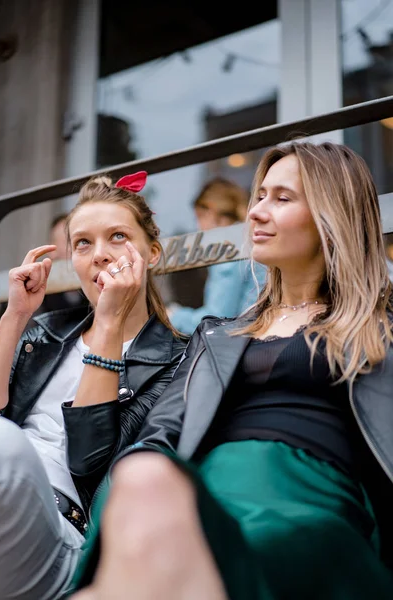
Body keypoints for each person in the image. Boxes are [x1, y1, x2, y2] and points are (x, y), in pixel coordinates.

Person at [70, 143, 393, 600]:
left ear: (331, 214)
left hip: (304, 501)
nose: (257, 212)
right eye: (259, 196)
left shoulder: (377, 325)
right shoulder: (218, 333)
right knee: (143, 478)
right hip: (208, 488)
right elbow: (159, 433)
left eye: (281, 199)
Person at [0, 170, 186, 600]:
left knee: (1, 445)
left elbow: (87, 461)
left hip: (60, 532)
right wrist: (15, 316)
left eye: (117, 236)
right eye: (83, 243)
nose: (99, 254)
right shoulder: (47, 329)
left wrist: (110, 322)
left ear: (151, 252)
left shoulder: (179, 358)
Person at [168, 178, 266, 334]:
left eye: (199, 217)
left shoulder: (229, 248)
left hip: (245, 341)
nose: (198, 227)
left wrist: (173, 315)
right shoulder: (249, 239)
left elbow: (217, 319)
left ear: (211, 211)